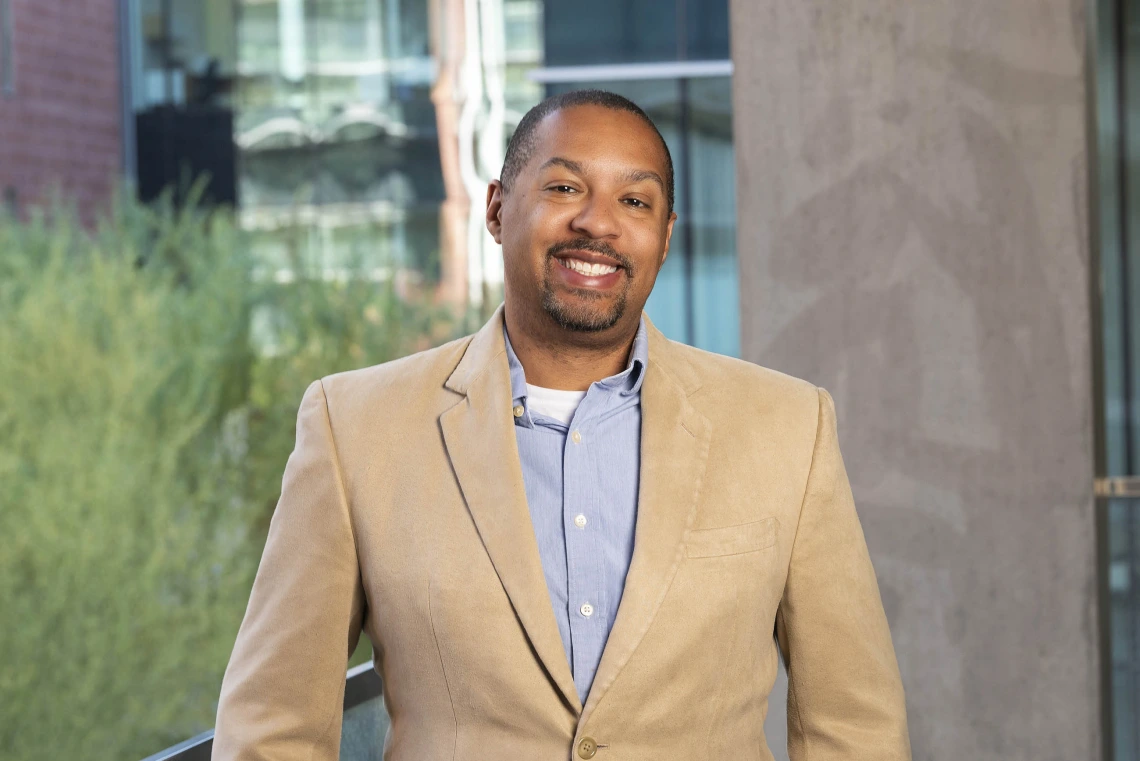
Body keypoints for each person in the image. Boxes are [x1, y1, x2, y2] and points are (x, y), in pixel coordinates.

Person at [213, 89, 911, 761]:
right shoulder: (354, 427)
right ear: (495, 208)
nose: (598, 224)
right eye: (565, 188)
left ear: (664, 238)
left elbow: (855, 727)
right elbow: (273, 728)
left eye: (634, 200)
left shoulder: (787, 426)